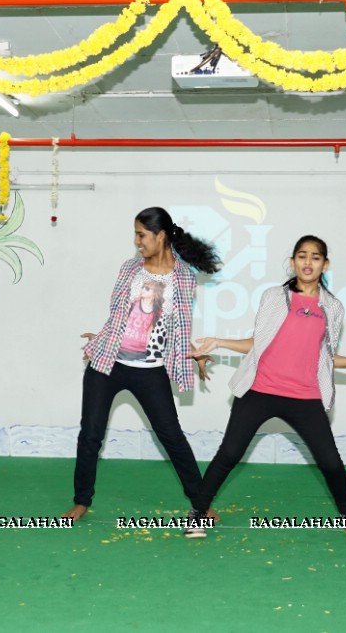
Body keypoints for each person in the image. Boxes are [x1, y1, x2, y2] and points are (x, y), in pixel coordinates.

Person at [186, 235, 346, 540]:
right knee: (230, 453)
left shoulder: (332, 307)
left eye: (315, 257)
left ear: (325, 264)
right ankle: (198, 513)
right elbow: (258, 343)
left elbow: (326, 357)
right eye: (302, 256)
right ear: (292, 262)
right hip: (260, 390)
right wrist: (220, 341)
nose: (308, 262)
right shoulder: (274, 297)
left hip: (305, 397)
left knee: (331, 462)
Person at [62, 207, 221, 521]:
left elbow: (177, 328)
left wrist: (193, 353)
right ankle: (81, 501)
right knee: (90, 435)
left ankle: (201, 502)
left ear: (160, 236)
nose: (137, 242)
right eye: (136, 234)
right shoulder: (130, 269)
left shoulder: (184, 278)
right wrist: (102, 338)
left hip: (150, 371)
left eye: (141, 235)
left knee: (171, 436)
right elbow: (119, 317)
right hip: (107, 364)